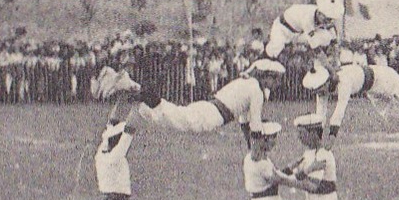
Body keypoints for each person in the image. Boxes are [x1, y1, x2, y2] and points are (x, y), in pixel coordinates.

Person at [116, 59, 284, 143]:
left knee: (168, 117)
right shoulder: (256, 90)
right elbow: (254, 126)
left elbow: (245, 122)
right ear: (266, 76)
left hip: (209, 107)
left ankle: (134, 89)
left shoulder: (248, 83)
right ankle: (134, 87)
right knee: (172, 117)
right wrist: (257, 154)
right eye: (276, 80)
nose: (278, 84)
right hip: (213, 116)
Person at [263, 0, 344, 60]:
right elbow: (316, 49)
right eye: (326, 19)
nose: (327, 22)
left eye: (330, 19)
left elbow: (332, 28)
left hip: (297, 33)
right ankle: (263, 55)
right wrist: (330, 70)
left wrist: (334, 45)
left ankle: (300, 51)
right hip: (282, 29)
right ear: (319, 13)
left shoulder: (320, 14)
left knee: (326, 37)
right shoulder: (307, 18)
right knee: (274, 52)